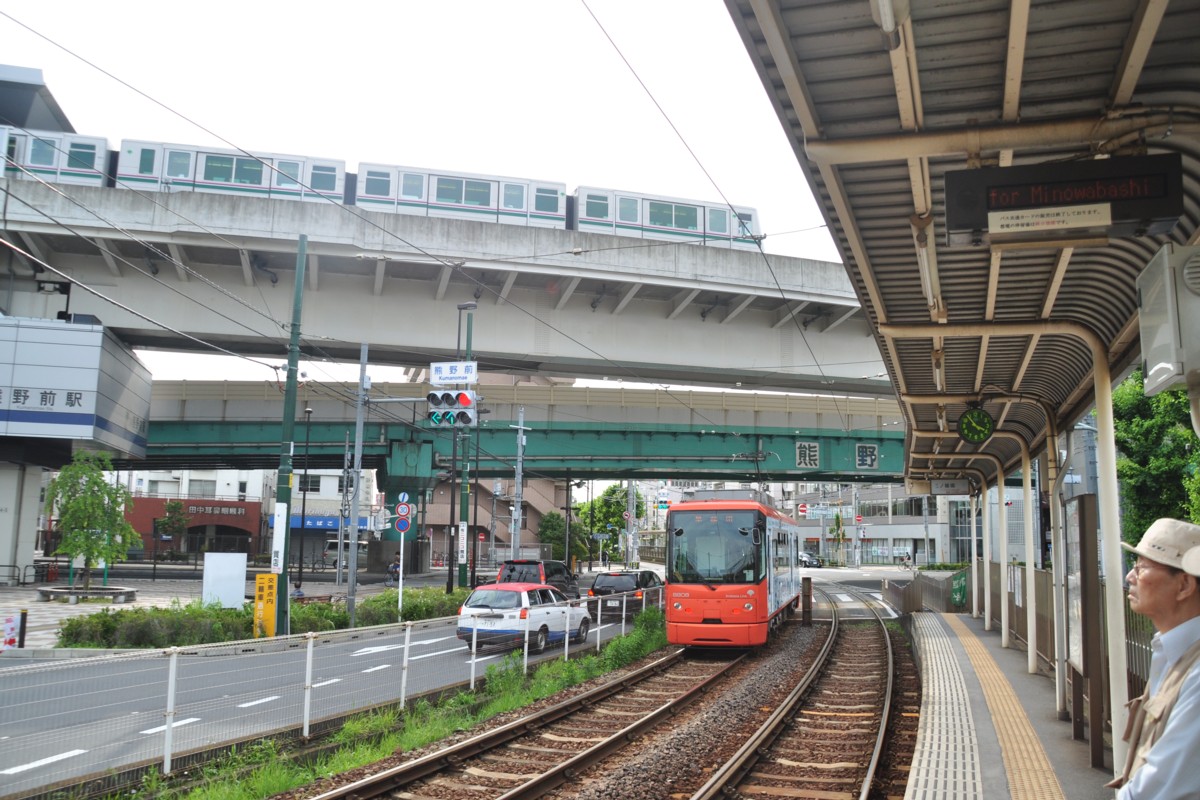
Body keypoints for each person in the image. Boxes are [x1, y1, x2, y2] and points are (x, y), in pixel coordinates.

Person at [1109, 517, 1200, 798]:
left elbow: (1161, 786)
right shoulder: (1171, 650)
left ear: (1184, 585)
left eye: (1142, 567)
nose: (1130, 576)